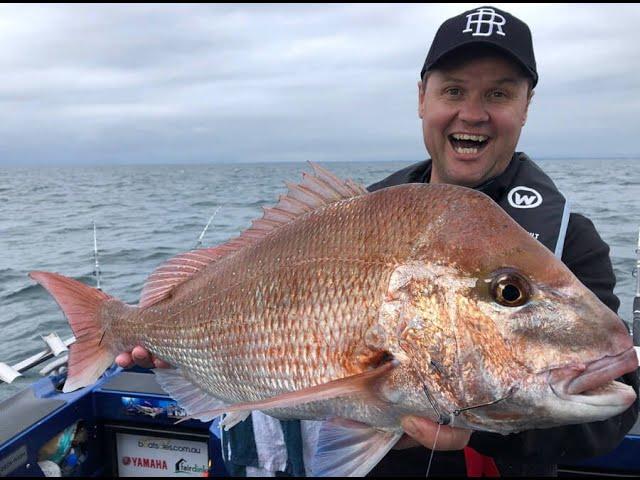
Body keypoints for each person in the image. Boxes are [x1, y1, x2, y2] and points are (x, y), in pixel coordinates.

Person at [116, 6, 639, 476]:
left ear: (526, 106)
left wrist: (477, 432)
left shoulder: (571, 238)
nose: (473, 113)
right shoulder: (356, 213)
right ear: (422, 98)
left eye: (499, 93)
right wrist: (170, 343)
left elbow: (609, 419)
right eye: (454, 90)